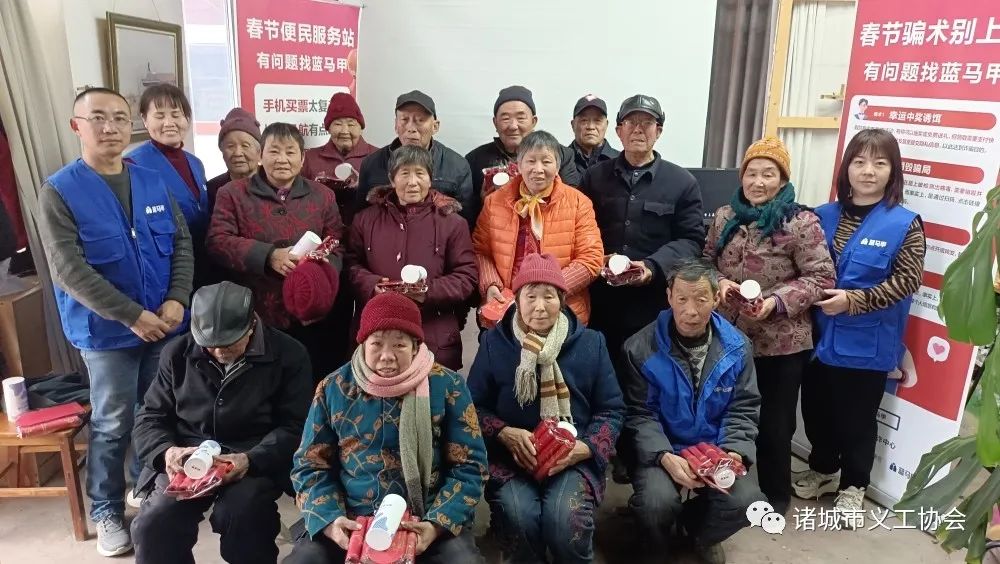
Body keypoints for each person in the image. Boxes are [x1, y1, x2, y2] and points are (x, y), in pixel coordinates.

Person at [36, 87, 193, 557]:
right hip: (106, 332)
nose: (110, 128)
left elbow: (181, 244)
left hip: (162, 325)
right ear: (77, 126)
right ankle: (105, 507)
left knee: (155, 412)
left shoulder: (151, 180)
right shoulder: (61, 190)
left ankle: (144, 485)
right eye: (98, 118)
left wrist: (177, 298)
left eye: (120, 118)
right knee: (111, 420)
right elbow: (68, 269)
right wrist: (131, 315)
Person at [283, 293, 488, 564]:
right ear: (362, 343)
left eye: (399, 345)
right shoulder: (334, 388)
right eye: (376, 344)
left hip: (426, 519)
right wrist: (331, 522)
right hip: (351, 518)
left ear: (415, 346)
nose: (387, 356)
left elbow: (470, 466)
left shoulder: (448, 386)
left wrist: (436, 525)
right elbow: (309, 466)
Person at [130, 282, 312, 564]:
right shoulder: (176, 353)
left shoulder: (289, 354)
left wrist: (251, 459)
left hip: (252, 453)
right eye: (209, 344)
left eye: (228, 343)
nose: (217, 351)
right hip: (189, 452)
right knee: (155, 523)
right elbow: (150, 417)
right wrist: (167, 452)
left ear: (252, 325)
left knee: (244, 515)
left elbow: (297, 426)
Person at [798, 128, 925, 525]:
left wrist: (854, 301)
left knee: (857, 420)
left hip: (866, 342)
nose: (868, 171)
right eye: (860, 162)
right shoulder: (822, 215)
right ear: (847, 168)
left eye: (879, 163)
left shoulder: (904, 223)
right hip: (817, 337)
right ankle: (823, 470)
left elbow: (907, 281)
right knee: (816, 411)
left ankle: (854, 486)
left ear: (892, 171)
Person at [702, 136, 835, 514]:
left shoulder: (800, 222)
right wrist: (719, 282)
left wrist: (775, 302)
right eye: (752, 173)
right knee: (725, 413)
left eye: (768, 174)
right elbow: (705, 261)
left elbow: (822, 277)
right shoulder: (725, 216)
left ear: (783, 179)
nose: (758, 182)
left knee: (775, 423)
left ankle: (774, 497)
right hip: (728, 336)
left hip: (781, 341)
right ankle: (724, 487)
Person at [468, 253, 624, 563]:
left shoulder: (591, 343)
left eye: (549, 296)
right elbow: (473, 407)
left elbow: (612, 410)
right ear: (517, 299)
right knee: (519, 517)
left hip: (572, 458)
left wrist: (585, 447)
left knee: (565, 522)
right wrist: (504, 433)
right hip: (513, 459)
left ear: (563, 300)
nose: (540, 306)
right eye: (531, 296)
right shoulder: (495, 344)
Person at [580, 94, 705, 469]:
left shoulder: (681, 182)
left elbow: (691, 240)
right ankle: (603, 449)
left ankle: (641, 455)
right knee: (601, 377)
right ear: (617, 130)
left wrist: (652, 267)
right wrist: (595, 258)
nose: (638, 129)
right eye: (631, 123)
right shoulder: (594, 177)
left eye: (647, 123)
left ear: (659, 131)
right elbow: (579, 228)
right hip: (600, 302)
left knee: (646, 381)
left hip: (650, 306)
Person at [622, 259, 765, 564]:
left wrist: (733, 452)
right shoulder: (640, 348)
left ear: (716, 299)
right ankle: (656, 542)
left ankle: (697, 531)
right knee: (656, 503)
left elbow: (743, 407)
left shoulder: (737, 347)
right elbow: (640, 414)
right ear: (669, 296)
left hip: (715, 448)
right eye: (682, 299)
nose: (690, 311)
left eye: (701, 300)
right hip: (666, 448)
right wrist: (663, 455)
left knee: (748, 502)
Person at [207, 122, 345, 379]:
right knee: (261, 383)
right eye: (274, 151)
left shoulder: (323, 195)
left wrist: (321, 269)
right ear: (260, 155)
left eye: (290, 152)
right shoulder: (233, 194)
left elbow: (337, 242)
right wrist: (269, 255)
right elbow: (218, 241)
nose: (282, 159)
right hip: (256, 313)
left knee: (309, 379)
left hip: (311, 315)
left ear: (302, 159)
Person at [346, 145, 476, 370]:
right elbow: (350, 264)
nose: (412, 182)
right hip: (378, 336)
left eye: (420, 173)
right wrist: (372, 286)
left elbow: (466, 277)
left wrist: (426, 291)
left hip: (434, 337)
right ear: (392, 179)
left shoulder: (453, 223)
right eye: (404, 173)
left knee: (433, 392)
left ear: (430, 178)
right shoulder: (365, 220)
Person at [473, 130, 603, 325]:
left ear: (557, 166)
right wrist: (491, 285)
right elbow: (480, 251)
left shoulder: (579, 203)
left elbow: (591, 258)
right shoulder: (494, 202)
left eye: (546, 161)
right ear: (519, 165)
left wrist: (551, 291)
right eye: (531, 161)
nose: (538, 169)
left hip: (562, 310)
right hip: (506, 308)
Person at [127, 83, 210, 288]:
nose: (169, 123)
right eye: (160, 116)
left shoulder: (195, 163)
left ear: (187, 119)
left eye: (176, 114)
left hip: (204, 263)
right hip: (166, 269)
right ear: (144, 120)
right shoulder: (133, 165)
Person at [356, 90, 474, 227]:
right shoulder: (371, 163)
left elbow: (466, 221)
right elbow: (361, 216)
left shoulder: (457, 166)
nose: (411, 128)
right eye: (404, 120)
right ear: (396, 125)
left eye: (420, 120)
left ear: (435, 126)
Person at [466, 86, 581, 221]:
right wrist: (483, 203)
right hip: (495, 228)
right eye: (505, 118)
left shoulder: (561, 155)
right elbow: (467, 213)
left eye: (521, 118)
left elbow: (572, 204)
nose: (513, 126)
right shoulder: (475, 160)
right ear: (495, 123)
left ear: (533, 121)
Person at [302, 92, 377, 226]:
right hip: (321, 231)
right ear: (328, 128)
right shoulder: (310, 158)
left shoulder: (378, 156)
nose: (344, 131)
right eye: (337, 124)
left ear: (360, 127)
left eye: (351, 124)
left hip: (366, 231)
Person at [206, 108, 262, 214]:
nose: (237, 153)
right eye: (230, 146)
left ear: (259, 152)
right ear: (222, 151)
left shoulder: (274, 184)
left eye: (245, 145)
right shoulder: (212, 189)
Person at [568, 94, 619, 180]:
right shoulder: (560, 161)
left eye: (597, 121)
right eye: (584, 120)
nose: (591, 127)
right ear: (573, 125)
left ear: (606, 125)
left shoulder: (621, 161)